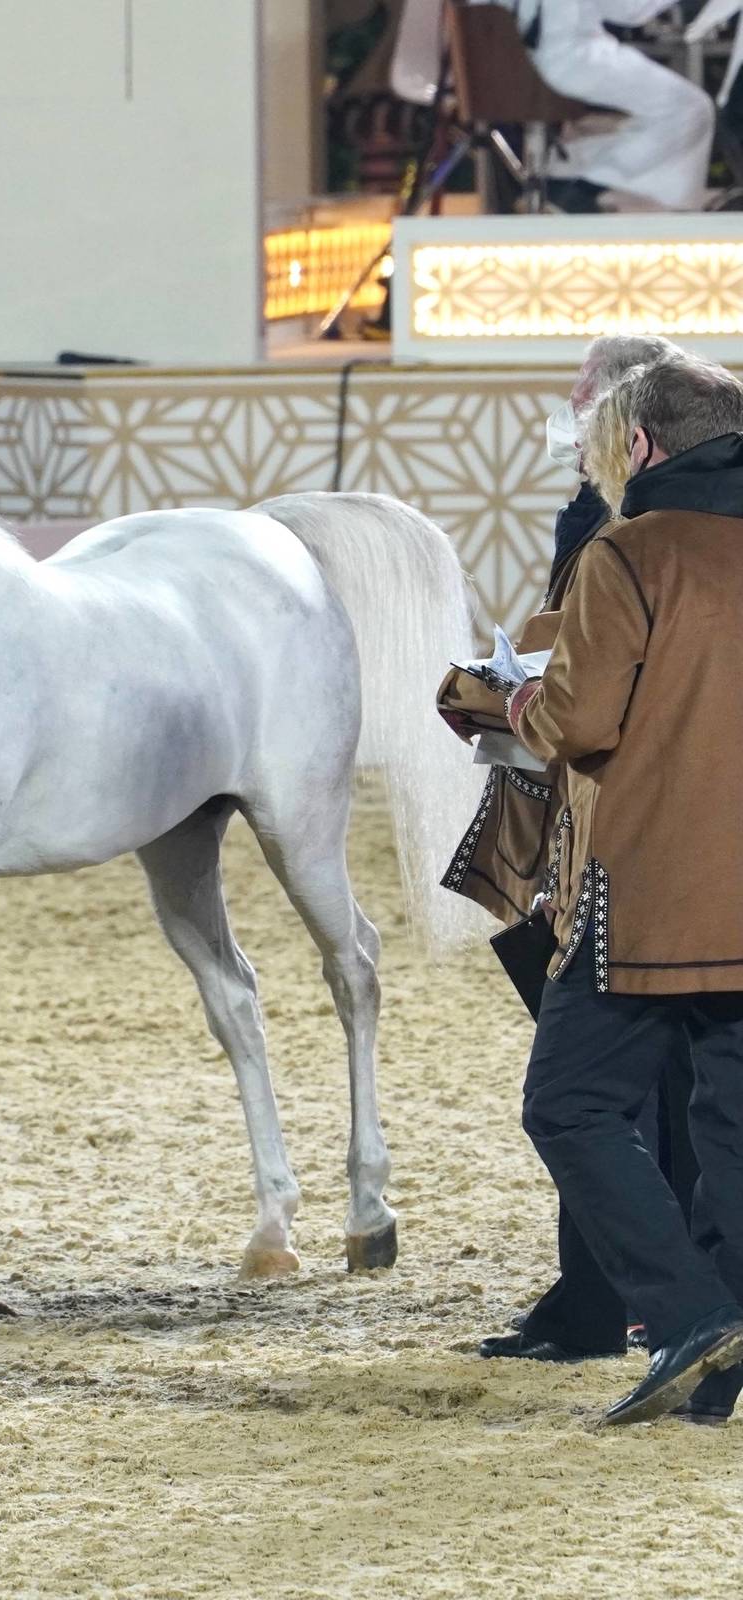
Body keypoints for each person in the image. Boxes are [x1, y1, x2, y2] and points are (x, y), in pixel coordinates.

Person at [438, 335, 695, 1367]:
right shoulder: (610, 512)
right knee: (651, 1090)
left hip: (617, 832)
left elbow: (587, 692)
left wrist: (501, 695)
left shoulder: (621, 525)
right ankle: (611, 1296)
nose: (566, 406)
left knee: (591, 1091)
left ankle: (642, 1302)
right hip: (639, 827)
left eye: (582, 392)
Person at [501, 354, 743, 1425]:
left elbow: (580, 721)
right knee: (731, 1120)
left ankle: (692, 1315)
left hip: (650, 884)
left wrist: (521, 711)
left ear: (640, 447)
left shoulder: (629, 551)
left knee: (570, 1100)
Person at [514, 1, 714, 212]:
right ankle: (580, 189)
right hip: (571, 58)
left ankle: (567, 178)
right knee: (690, 109)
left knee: (652, 121)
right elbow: (628, 11)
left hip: (508, 69)